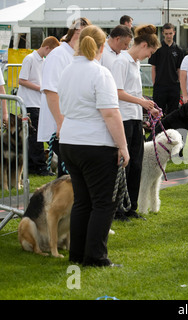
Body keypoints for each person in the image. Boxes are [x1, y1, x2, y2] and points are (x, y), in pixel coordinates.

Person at [59, 25, 129, 268]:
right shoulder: (100, 73)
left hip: (70, 141)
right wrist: (123, 146)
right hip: (95, 144)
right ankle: (96, 257)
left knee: (83, 202)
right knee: (103, 203)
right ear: (102, 46)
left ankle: (77, 254)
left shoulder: (67, 70)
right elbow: (110, 113)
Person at [111, 24, 161, 221]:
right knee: (126, 164)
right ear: (143, 45)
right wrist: (142, 102)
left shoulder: (135, 63)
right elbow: (118, 92)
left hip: (135, 117)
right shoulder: (121, 61)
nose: (149, 56)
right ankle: (119, 208)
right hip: (122, 117)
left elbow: (134, 93)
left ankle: (131, 206)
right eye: (150, 51)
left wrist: (148, 107)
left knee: (137, 163)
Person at [38, 17, 91, 177]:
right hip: (61, 125)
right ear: (77, 32)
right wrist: (60, 123)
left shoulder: (78, 55)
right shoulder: (59, 54)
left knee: (73, 175)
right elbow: (51, 91)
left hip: (74, 123)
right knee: (68, 176)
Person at [17, 36, 60, 176]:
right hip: (29, 102)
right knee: (35, 137)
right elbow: (22, 80)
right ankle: (39, 166)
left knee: (35, 136)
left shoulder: (43, 61)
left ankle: (33, 165)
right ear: (47, 48)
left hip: (38, 102)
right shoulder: (29, 59)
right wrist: (40, 88)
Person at [149, 23, 185, 115]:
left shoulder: (179, 50)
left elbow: (179, 70)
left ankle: (171, 130)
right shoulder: (157, 49)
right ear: (163, 34)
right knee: (158, 113)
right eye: (166, 34)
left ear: (174, 33)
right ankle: (157, 129)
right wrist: (155, 84)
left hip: (174, 87)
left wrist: (180, 85)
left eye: (170, 33)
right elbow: (153, 68)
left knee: (173, 113)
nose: (168, 36)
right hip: (160, 86)